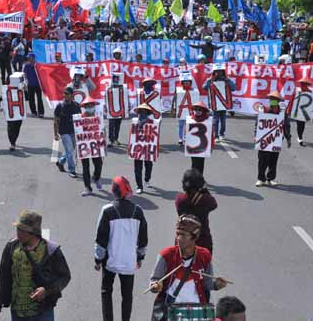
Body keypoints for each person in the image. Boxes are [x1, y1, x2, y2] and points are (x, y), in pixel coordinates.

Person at [0, 210, 71, 321]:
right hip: (18, 313)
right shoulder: (11, 247)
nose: (18, 232)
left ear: (33, 233)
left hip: (43, 312)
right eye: (18, 228)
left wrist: (47, 291)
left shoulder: (51, 251)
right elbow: (3, 279)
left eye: (22, 230)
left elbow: (65, 276)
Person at [148, 215, 227, 321]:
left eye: (183, 235)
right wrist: (156, 286)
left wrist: (217, 285)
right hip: (171, 311)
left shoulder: (205, 255)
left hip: (197, 311)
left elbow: (207, 284)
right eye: (177, 234)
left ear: (194, 236)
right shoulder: (166, 255)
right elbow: (154, 280)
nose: (178, 238)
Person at [94, 176, 148, 321]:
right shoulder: (138, 211)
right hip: (129, 262)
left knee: (106, 292)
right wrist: (139, 257)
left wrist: (98, 260)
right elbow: (143, 240)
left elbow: (101, 239)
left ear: (113, 191)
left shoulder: (107, 210)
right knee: (127, 296)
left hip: (110, 262)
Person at [175, 169, 217, 253]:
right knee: (204, 265)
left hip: (182, 241)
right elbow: (214, 204)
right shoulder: (205, 199)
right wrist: (205, 190)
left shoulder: (179, 199)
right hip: (202, 241)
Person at [255, 92, 291, 187]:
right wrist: (256, 135)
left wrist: (288, 138)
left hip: (276, 140)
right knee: (262, 159)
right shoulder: (264, 110)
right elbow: (258, 124)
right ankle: (260, 179)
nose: (273, 101)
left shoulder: (283, 113)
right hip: (264, 140)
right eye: (272, 99)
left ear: (279, 102)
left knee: (273, 160)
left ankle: (270, 178)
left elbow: (286, 126)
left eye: (276, 99)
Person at [78, 96, 104, 196]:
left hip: (96, 146)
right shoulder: (80, 118)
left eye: (91, 105)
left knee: (99, 164)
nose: (90, 107)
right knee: (85, 167)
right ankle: (87, 187)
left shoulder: (98, 117)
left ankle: (96, 178)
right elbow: (78, 132)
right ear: (85, 107)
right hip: (84, 146)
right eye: (88, 106)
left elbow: (102, 130)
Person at [54, 87, 81, 178]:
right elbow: (56, 120)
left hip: (74, 131)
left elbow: (80, 119)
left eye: (67, 94)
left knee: (71, 149)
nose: (65, 95)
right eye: (64, 93)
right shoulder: (60, 106)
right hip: (64, 132)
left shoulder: (77, 105)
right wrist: (55, 133)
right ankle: (72, 170)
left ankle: (61, 162)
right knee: (69, 151)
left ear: (72, 95)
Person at [203, 66, 236, 142]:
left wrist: (227, 80)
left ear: (223, 72)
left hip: (224, 104)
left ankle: (222, 134)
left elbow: (234, 88)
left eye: (221, 71)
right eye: (217, 71)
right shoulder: (210, 80)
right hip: (215, 104)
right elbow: (204, 88)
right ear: (214, 72)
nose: (219, 73)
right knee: (215, 120)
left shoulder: (226, 80)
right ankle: (216, 135)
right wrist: (211, 80)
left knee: (223, 121)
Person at [132, 104, 157, 194]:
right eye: (140, 112)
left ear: (147, 113)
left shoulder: (153, 122)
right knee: (137, 168)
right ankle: (139, 186)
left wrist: (155, 150)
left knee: (148, 166)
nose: (142, 114)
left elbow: (155, 137)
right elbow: (132, 137)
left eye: (144, 112)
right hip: (137, 149)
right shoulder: (134, 122)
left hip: (148, 149)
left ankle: (147, 179)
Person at [292, 77, 313, 146]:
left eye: (304, 83)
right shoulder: (297, 91)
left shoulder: (310, 92)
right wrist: (290, 109)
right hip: (297, 110)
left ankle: (300, 136)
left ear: (307, 84)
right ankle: (300, 137)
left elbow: (312, 102)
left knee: (302, 124)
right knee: (299, 124)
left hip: (305, 112)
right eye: (302, 83)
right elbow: (293, 100)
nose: (302, 84)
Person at [23, 53, 45, 117]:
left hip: (38, 85)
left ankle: (41, 112)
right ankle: (33, 112)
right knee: (31, 99)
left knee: (39, 99)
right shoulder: (27, 65)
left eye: (29, 57)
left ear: (33, 58)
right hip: (30, 85)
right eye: (28, 58)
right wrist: (25, 83)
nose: (28, 59)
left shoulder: (38, 65)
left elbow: (42, 74)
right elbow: (25, 74)